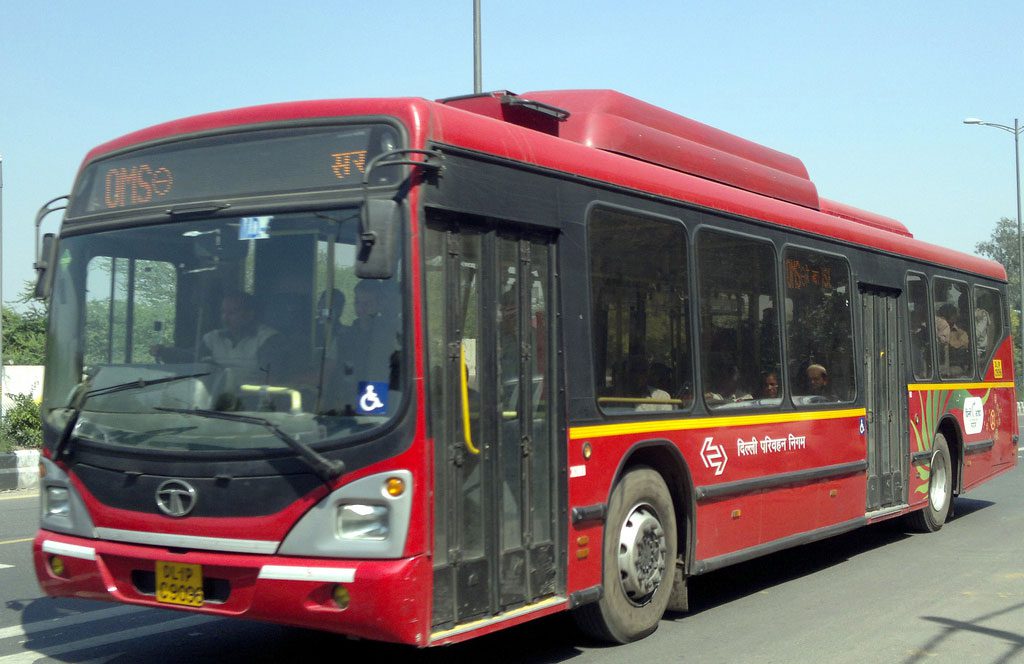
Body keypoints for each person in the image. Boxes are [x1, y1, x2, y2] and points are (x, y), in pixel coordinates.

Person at [152, 293, 287, 382]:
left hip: (252, 403)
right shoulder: (213, 338)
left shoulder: (268, 339)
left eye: (232, 312)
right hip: (213, 401)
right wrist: (165, 352)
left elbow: (270, 378)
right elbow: (193, 358)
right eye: (223, 312)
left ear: (249, 314)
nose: (225, 318)